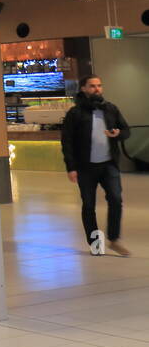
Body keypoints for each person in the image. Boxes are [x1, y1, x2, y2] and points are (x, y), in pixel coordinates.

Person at [61, 76, 132, 256]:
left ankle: (114, 239)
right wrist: (71, 167)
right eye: (92, 86)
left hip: (109, 165)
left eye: (99, 85)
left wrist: (118, 133)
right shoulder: (75, 113)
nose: (97, 89)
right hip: (86, 168)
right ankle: (95, 244)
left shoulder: (110, 109)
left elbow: (126, 130)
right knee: (89, 205)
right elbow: (67, 141)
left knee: (116, 199)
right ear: (84, 89)